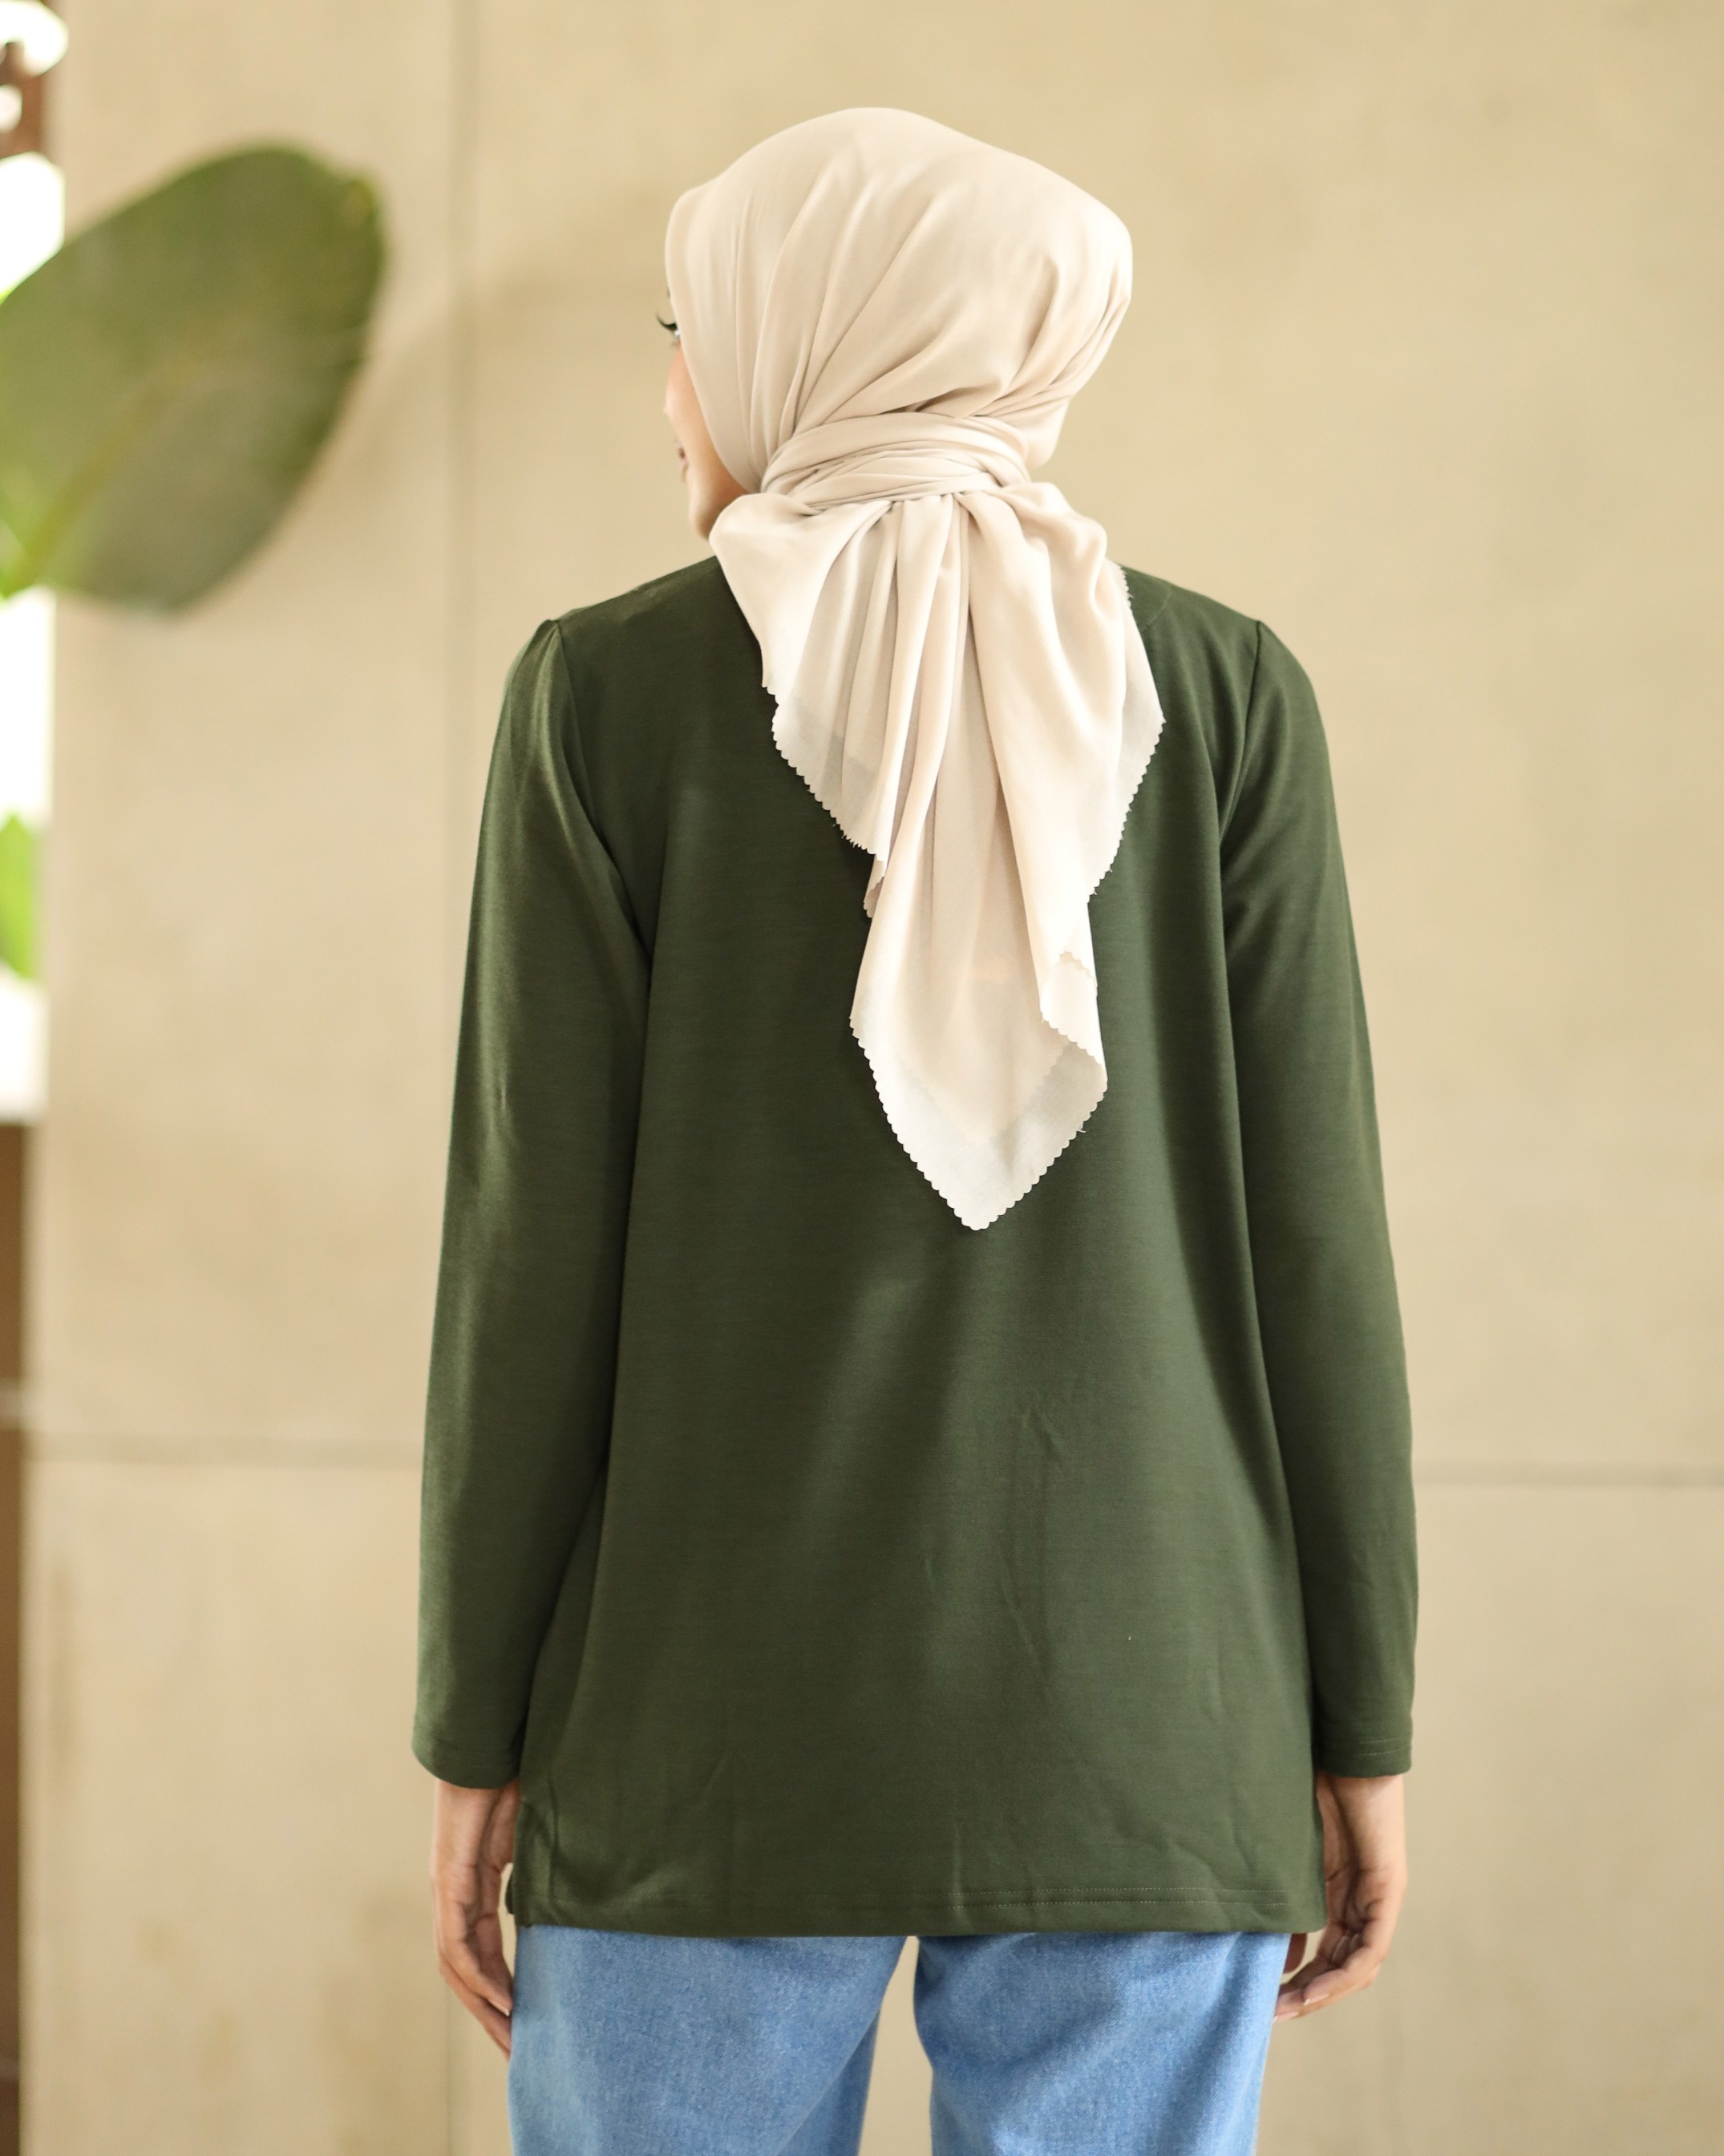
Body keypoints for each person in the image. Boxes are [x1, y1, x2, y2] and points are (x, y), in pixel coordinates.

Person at [414, 107, 1416, 2156]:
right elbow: (1315, 1245)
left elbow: (532, 1260)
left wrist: (473, 1726)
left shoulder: (604, 696)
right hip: (1158, 1719)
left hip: (695, 1731)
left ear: (805, 338)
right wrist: (1357, 1719)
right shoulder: (1226, 695)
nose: (670, 393)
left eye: (686, 331)